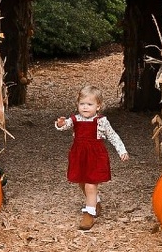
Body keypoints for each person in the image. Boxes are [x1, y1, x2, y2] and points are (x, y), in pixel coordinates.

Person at [55, 84, 129, 230]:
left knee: (90, 184)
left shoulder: (101, 121)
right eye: (82, 104)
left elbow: (112, 136)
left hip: (95, 157)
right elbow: (64, 126)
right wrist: (60, 123)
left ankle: (89, 214)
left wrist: (122, 150)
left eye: (89, 104)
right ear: (77, 105)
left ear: (98, 106)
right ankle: (96, 202)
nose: (85, 107)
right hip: (79, 155)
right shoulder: (75, 119)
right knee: (81, 182)